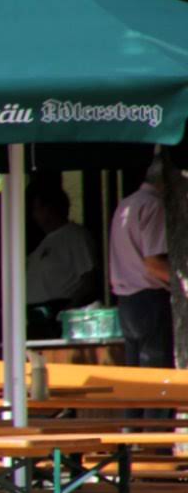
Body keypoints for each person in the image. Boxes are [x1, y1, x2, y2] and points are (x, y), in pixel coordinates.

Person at [109, 157, 174, 368]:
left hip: (126, 304)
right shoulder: (154, 205)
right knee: (157, 380)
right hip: (149, 300)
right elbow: (154, 264)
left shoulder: (126, 205)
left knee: (137, 381)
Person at [26, 179, 99, 311]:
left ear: (50, 208)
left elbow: (89, 282)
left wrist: (65, 312)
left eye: (37, 209)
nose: (34, 215)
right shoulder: (44, 243)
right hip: (36, 316)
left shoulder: (76, 236)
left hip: (56, 314)